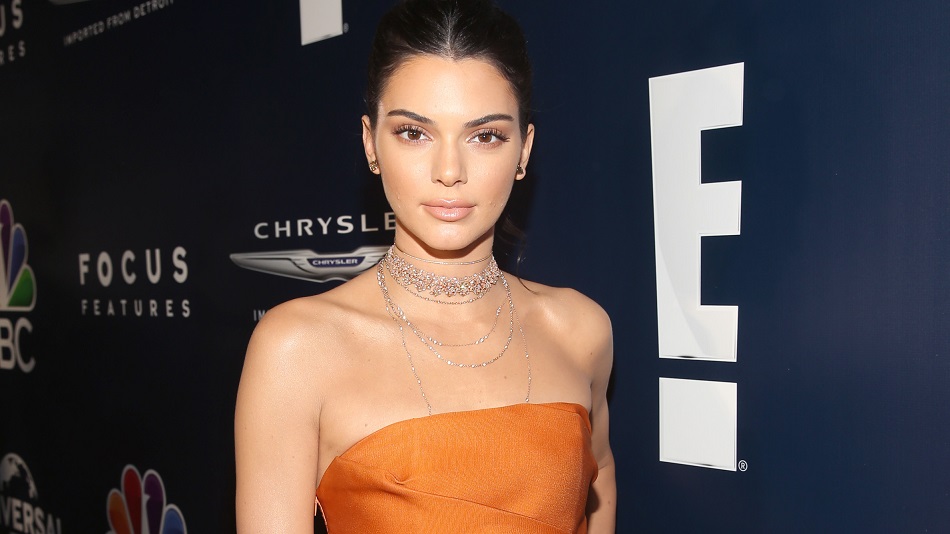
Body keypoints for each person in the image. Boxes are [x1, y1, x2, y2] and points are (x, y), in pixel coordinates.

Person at [234, 0, 616, 531]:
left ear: (524, 150)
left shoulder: (581, 330)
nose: (449, 171)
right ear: (370, 143)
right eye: (414, 133)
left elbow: (600, 487)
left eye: (485, 136)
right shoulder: (297, 349)